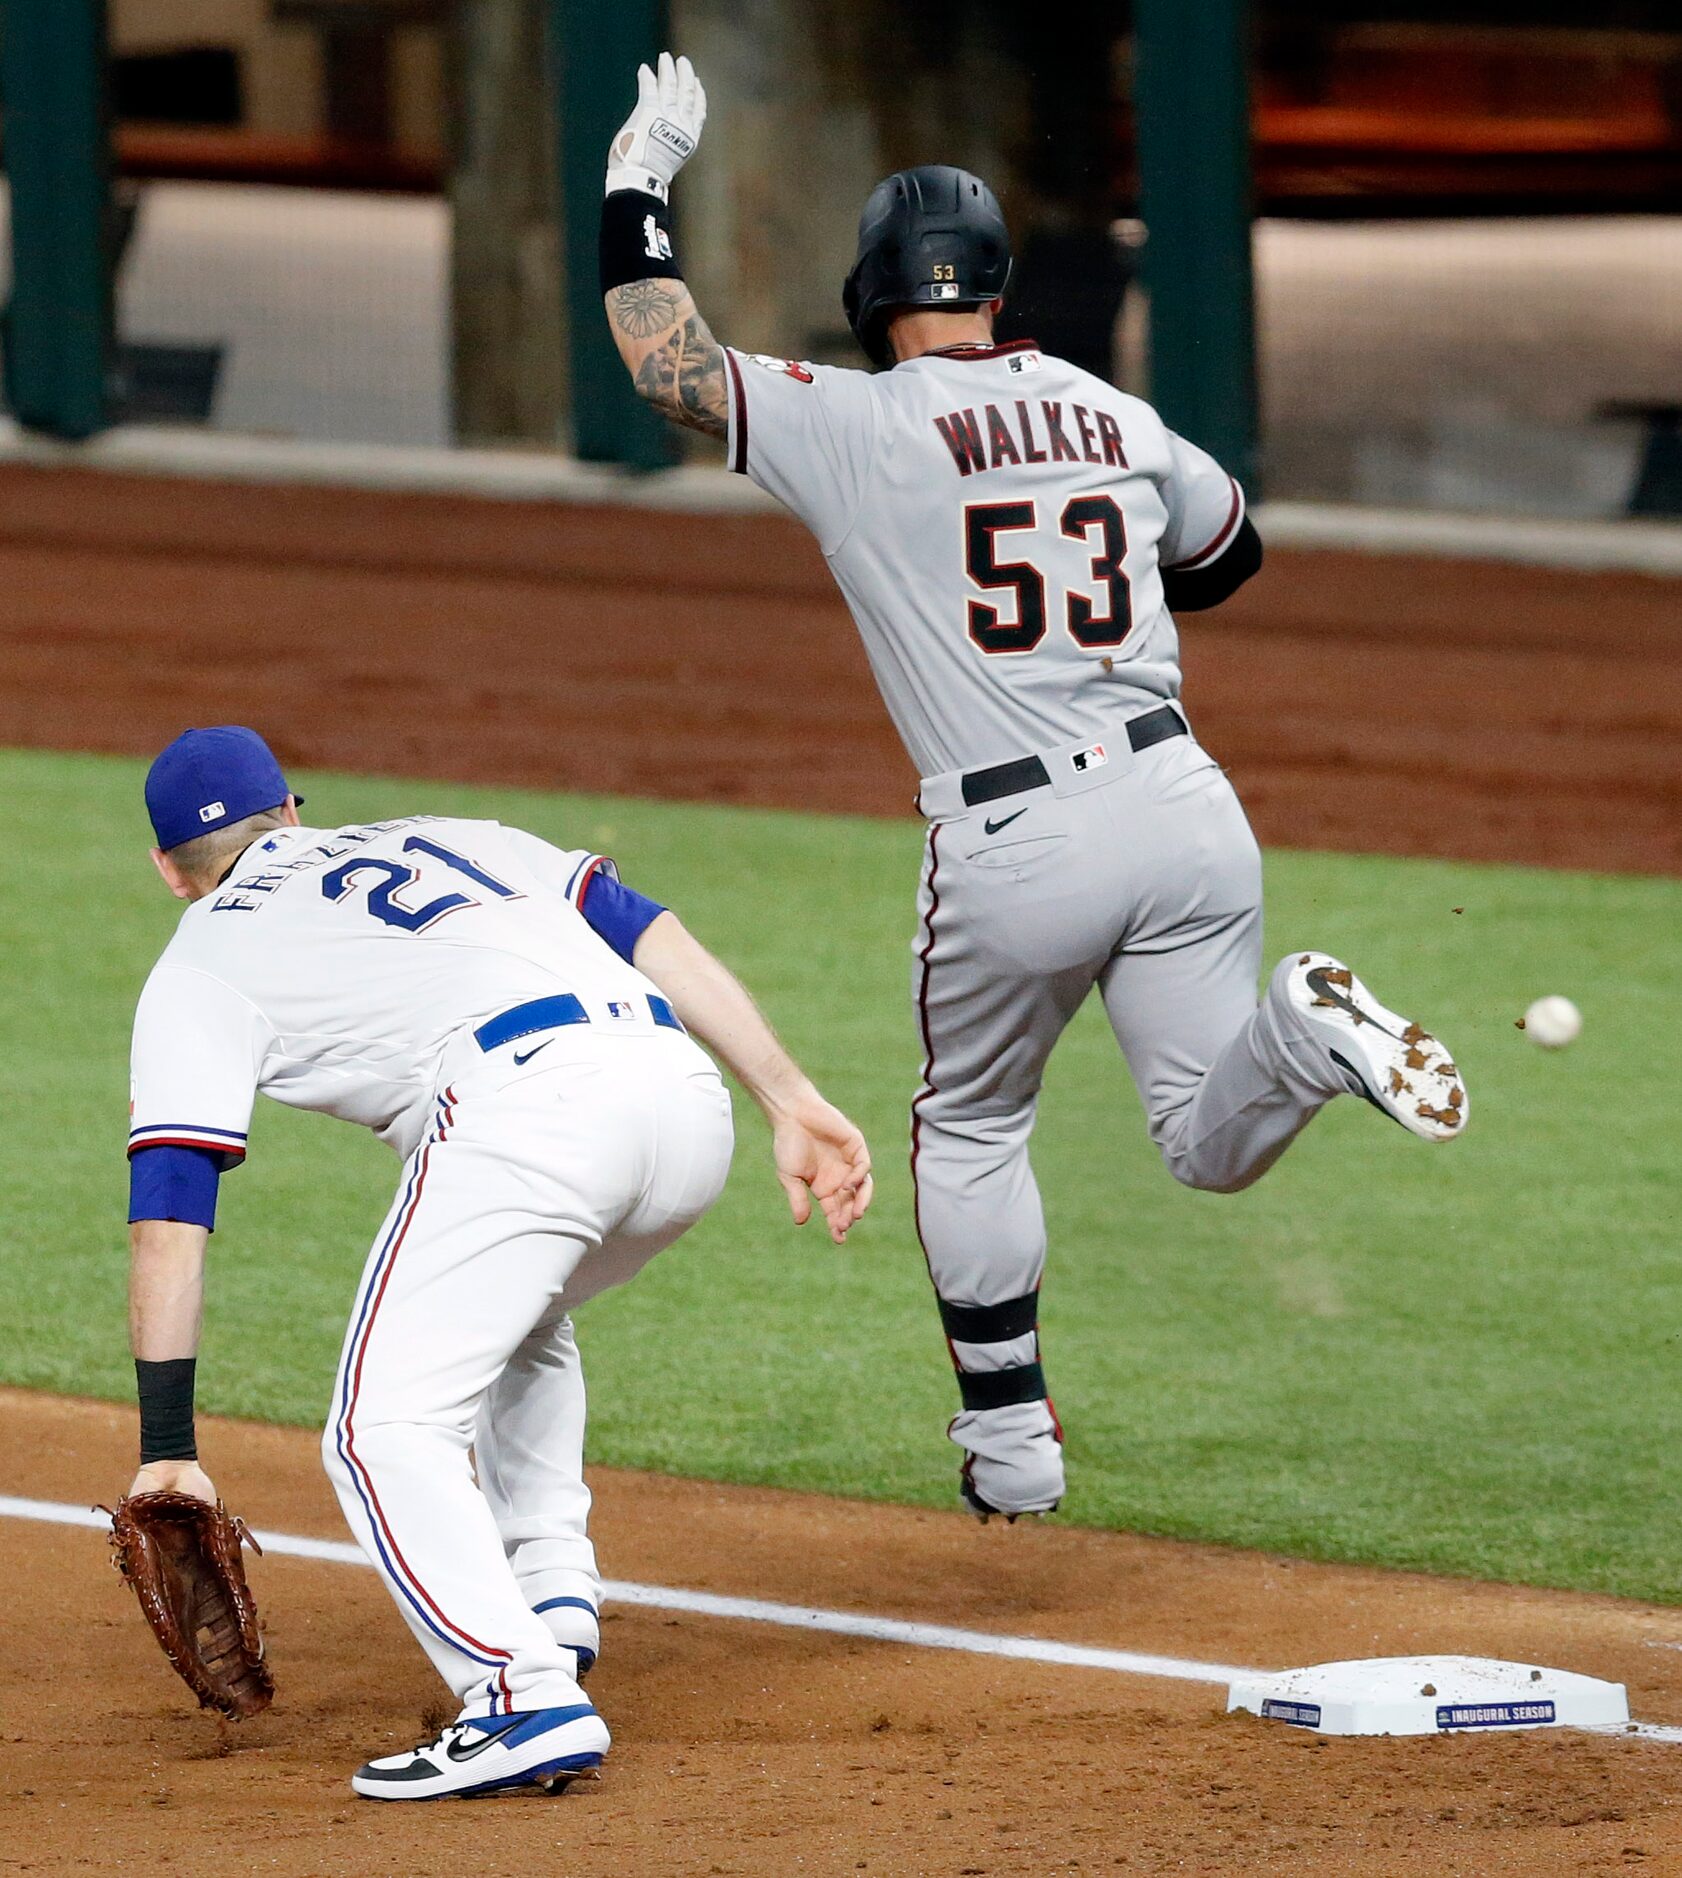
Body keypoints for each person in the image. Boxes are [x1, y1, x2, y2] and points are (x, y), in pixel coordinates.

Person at [598, 57, 1468, 1523]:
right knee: (1202, 1139)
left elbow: (662, 362)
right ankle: (1304, 1034)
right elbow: (1228, 556)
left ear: (875, 294)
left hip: (1016, 834)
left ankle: (1010, 1447)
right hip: (1188, 808)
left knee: (973, 1121)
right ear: (998, 289)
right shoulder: (1117, 416)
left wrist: (637, 178)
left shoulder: (855, 420)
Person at [123, 725, 871, 1798]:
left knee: (379, 1429)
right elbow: (645, 928)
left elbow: (169, 1214)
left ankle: (519, 1697)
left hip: (531, 1116)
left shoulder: (198, 959)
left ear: (168, 872)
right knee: (510, 1314)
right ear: (292, 810)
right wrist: (788, 1097)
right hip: (680, 1098)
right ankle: (552, 1594)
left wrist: (165, 1445)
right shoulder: (450, 834)